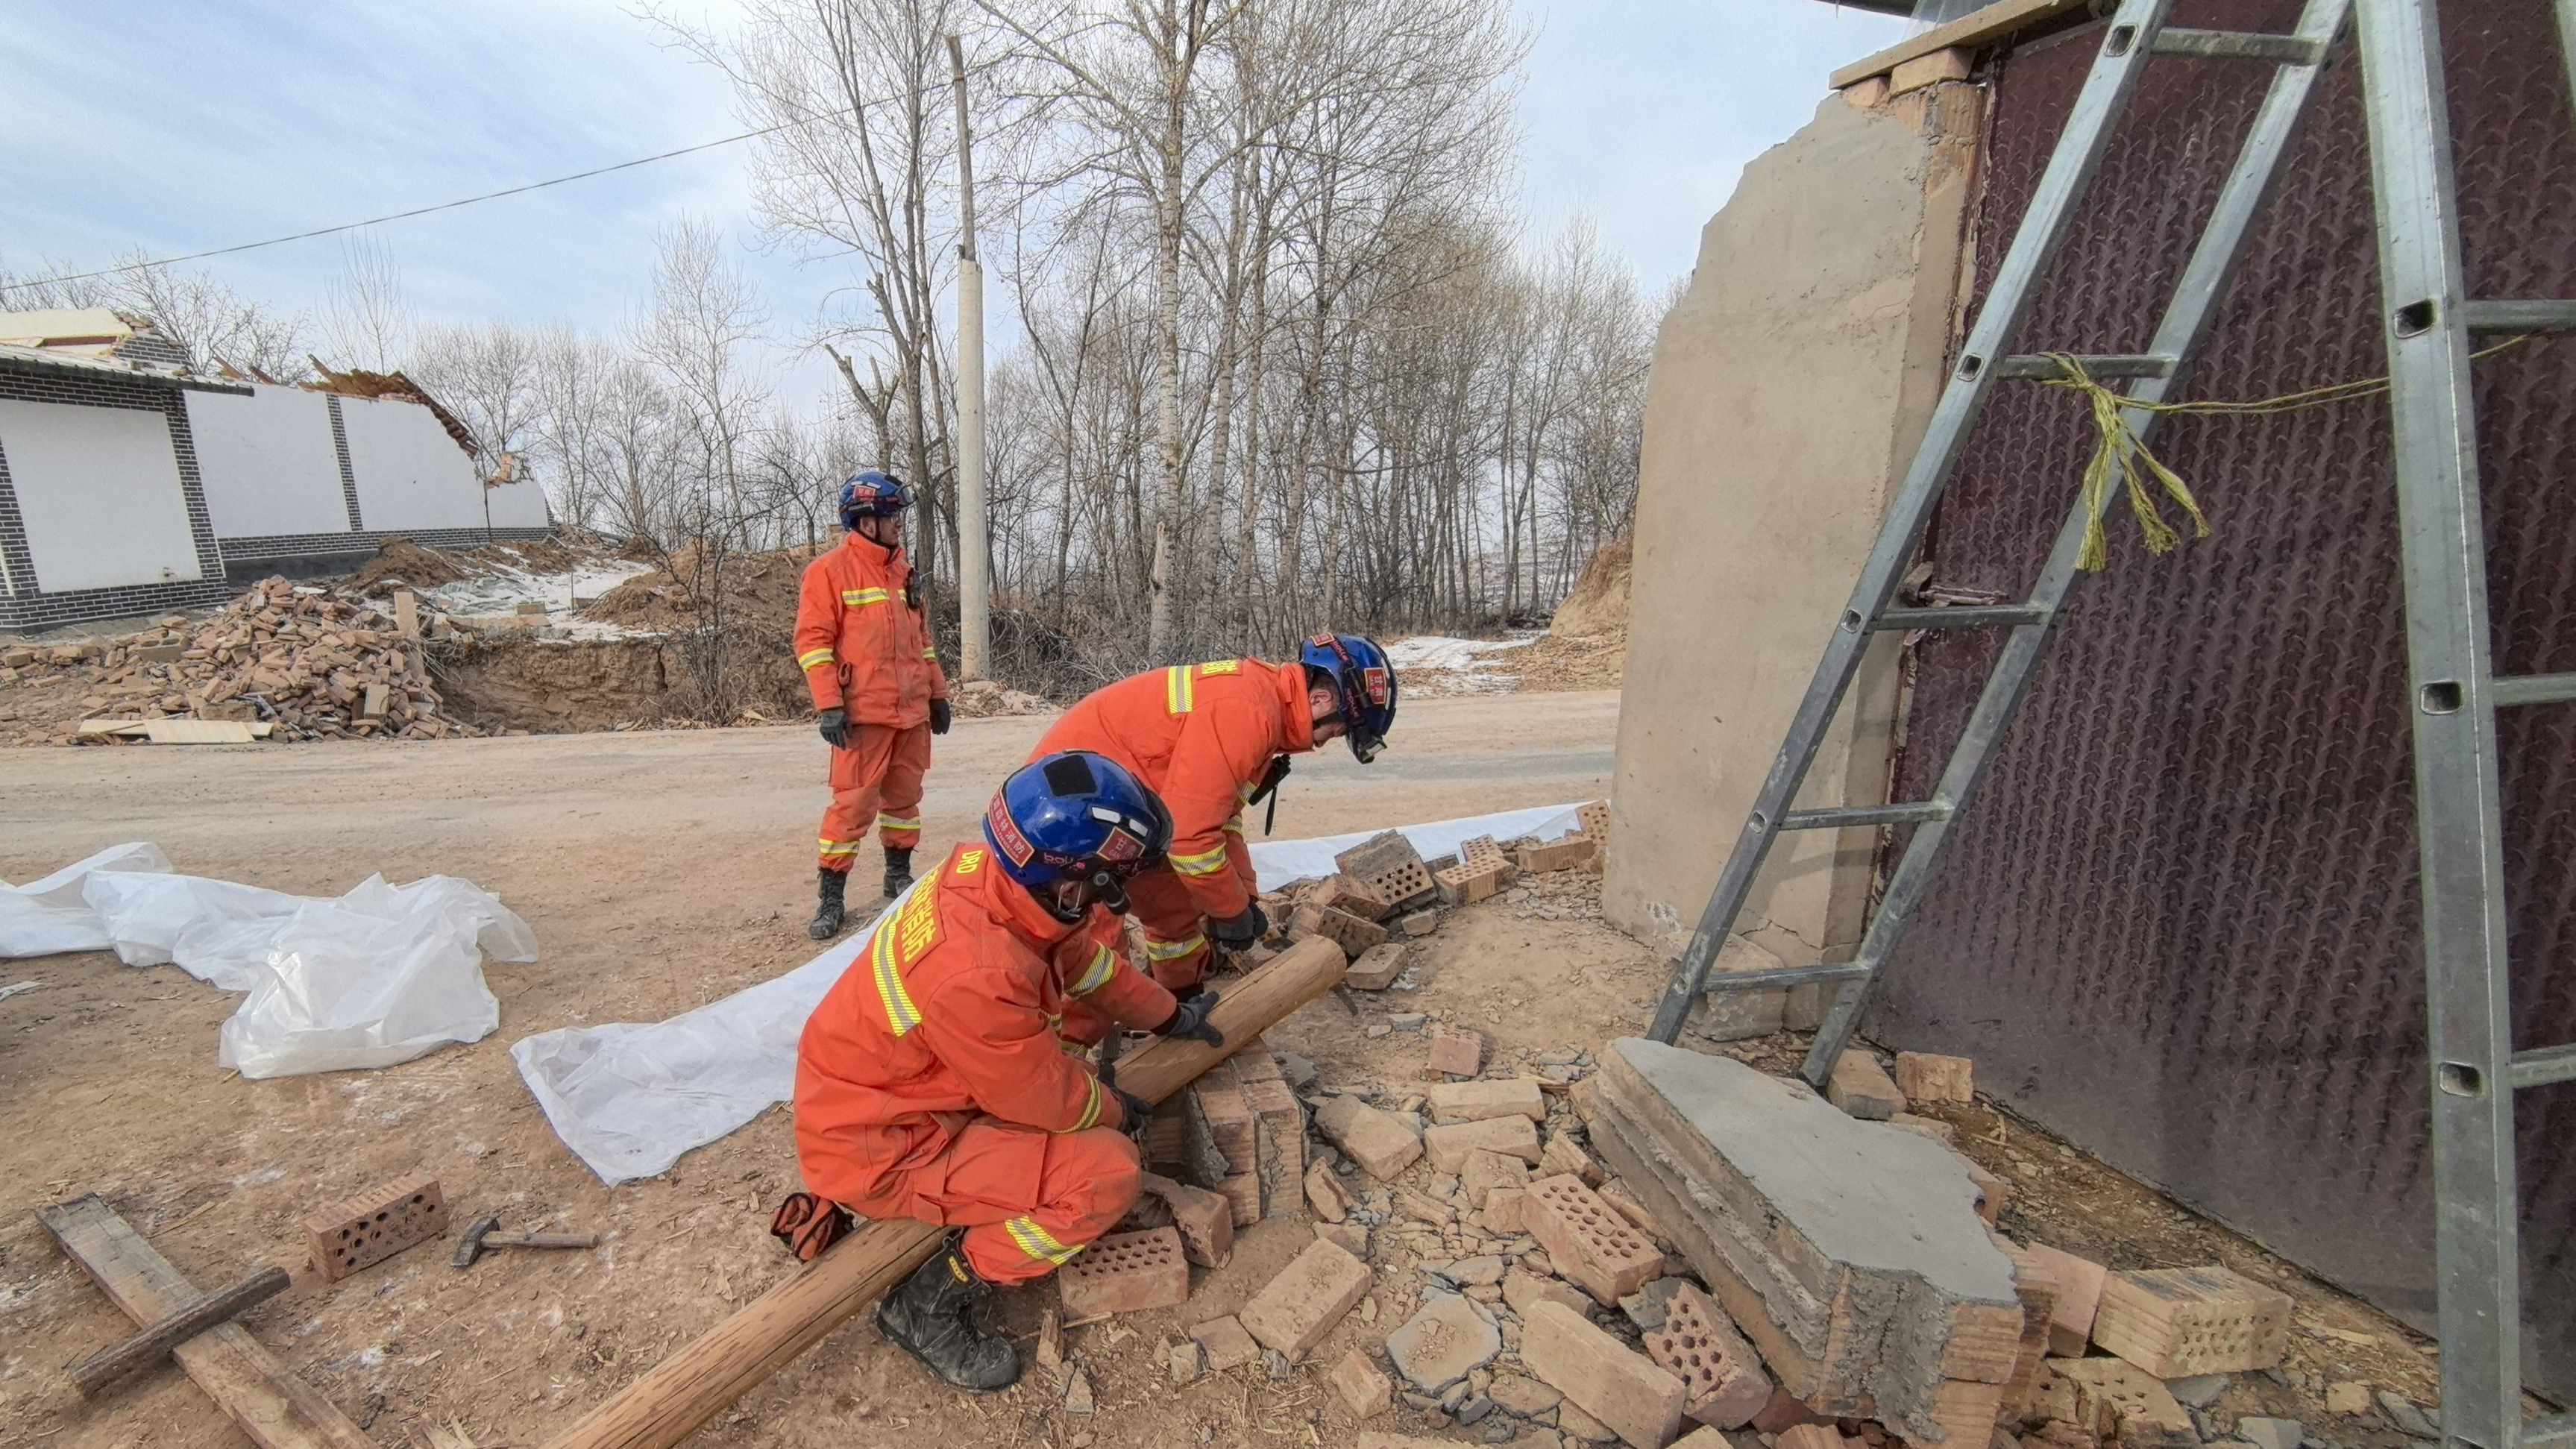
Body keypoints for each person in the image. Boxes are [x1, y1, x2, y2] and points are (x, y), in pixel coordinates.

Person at [775, 751, 1225, 1393]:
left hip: (881, 1100)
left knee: (1069, 1093)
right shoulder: (976, 970)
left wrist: (1168, 1016)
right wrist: (1116, 1109)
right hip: (887, 1149)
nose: (1114, 891)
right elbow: (1046, 1099)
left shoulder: (994, 879)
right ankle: (928, 1305)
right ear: (1069, 881)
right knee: (1107, 1173)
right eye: (1108, 878)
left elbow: (1085, 964)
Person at [1031, 632, 1399, 997]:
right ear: (1319, 700)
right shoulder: (1248, 711)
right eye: (1340, 729)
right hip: (1069, 813)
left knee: (1175, 913)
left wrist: (1246, 897)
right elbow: (1191, 841)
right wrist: (1230, 909)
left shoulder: (1264, 708)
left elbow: (1221, 818)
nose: (1330, 739)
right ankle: (1070, 1050)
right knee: (1099, 957)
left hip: (1127, 810)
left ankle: (1181, 1003)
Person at [793, 470, 953, 940]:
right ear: (866, 521)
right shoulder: (828, 573)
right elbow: (813, 643)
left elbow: (923, 643)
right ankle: (831, 897)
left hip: (912, 715)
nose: (900, 523)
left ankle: (897, 875)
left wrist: (938, 694)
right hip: (862, 716)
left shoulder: (904, 573)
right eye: (892, 515)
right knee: (851, 808)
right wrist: (829, 704)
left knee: (904, 801)